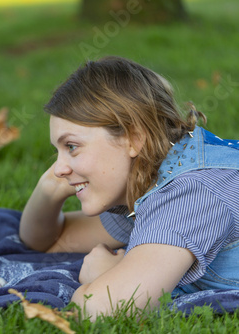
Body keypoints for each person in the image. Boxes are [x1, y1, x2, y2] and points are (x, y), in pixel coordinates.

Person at [19, 56, 239, 319]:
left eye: (72, 147)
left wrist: (104, 275)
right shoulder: (147, 181)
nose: (59, 167)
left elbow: (103, 307)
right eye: (58, 151)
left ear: (134, 138)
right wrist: (50, 187)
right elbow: (51, 240)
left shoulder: (190, 194)